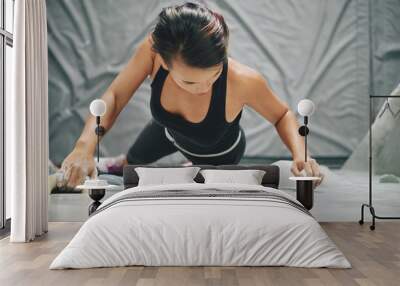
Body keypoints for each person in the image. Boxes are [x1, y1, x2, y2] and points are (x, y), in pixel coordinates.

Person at [60, 2, 324, 188]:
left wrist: (301, 155)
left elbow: (282, 115)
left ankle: (190, 167)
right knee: (131, 163)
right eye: (190, 81)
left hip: (219, 151)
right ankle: (117, 163)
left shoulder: (244, 80)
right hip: (167, 131)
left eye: (214, 74)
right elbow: (115, 96)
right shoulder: (153, 50)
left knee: (197, 182)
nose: (205, 87)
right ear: (163, 61)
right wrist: (84, 147)